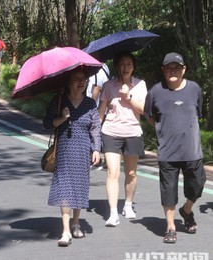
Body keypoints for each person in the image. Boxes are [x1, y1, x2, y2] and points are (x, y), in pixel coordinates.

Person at [144, 52, 206, 244]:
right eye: (169, 67)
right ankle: (170, 226)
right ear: (163, 70)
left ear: (183, 69)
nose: (173, 71)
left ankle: (186, 210)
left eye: (176, 67)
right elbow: (148, 114)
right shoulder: (155, 91)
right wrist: (161, 130)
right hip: (167, 153)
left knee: (196, 187)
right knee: (168, 192)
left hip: (192, 151)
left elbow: (199, 113)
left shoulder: (194, 89)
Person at [43, 69, 101, 247]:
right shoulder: (60, 100)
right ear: (68, 82)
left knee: (79, 187)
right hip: (64, 151)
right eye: (76, 79)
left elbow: (95, 128)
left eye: (83, 79)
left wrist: (97, 149)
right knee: (65, 188)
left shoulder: (90, 103)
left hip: (83, 151)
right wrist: (62, 118)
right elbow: (47, 123)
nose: (81, 82)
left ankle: (76, 222)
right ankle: (66, 230)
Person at [98, 51, 147, 227]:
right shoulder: (108, 86)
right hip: (111, 132)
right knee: (113, 172)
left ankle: (127, 205)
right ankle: (113, 213)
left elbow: (143, 110)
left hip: (133, 132)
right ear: (117, 67)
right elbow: (101, 113)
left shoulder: (140, 85)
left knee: (131, 173)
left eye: (129, 64)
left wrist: (129, 96)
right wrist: (95, 135)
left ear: (133, 67)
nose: (125, 68)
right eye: (122, 64)